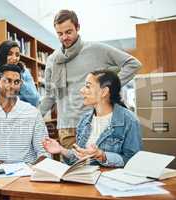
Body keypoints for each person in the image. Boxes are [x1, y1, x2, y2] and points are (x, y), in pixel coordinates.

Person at [39, 10, 142, 149]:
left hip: (95, 122)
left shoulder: (96, 49)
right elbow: (50, 95)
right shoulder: (53, 60)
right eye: (60, 34)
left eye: (68, 32)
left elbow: (133, 64)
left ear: (78, 27)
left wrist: (108, 88)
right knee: (72, 168)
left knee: (98, 166)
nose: (64, 37)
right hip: (66, 127)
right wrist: (34, 117)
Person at [42, 70, 142, 167]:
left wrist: (102, 156)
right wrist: (61, 150)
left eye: (88, 86)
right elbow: (79, 159)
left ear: (104, 92)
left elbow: (133, 161)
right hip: (86, 179)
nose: (82, 90)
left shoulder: (129, 120)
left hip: (111, 181)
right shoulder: (85, 120)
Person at [0, 40, 39, 110]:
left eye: (17, 55)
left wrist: (20, 83)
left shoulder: (24, 72)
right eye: (10, 54)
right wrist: (7, 99)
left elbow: (35, 101)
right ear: (2, 55)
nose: (14, 58)